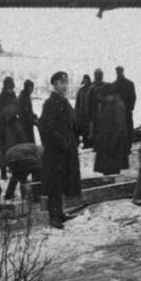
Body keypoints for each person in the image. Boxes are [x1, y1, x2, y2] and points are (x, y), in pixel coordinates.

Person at [38, 71, 82, 229]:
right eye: (61, 83)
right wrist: (62, 141)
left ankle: (60, 212)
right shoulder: (50, 103)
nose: (64, 86)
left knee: (63, 181)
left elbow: (72, 121)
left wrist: (76, 136)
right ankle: (54, 216)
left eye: (66, 83)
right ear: (55, 85)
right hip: (56, 150)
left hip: (67, 149)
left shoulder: (64, 102)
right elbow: (47, 127)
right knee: (55, 183)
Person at [0, 76, 27, 179]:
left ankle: (15, 169)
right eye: (9, 88)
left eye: (12, 88)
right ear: (5, 87)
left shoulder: (15, 98)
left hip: (13, 126)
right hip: (2, 127)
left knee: (16, 148)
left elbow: (18, 108)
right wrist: (6, 113)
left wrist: (12, 112)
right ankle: (3, 172)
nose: (11, 90)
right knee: (2, 150)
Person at [93, 83, 130, 175]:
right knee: (107, 170)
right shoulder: (107, 103)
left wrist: (113, 143)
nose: (103, 99)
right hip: (106, 142)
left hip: (114, 144)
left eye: (105, 96)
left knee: (113, 170)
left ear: (111, 95)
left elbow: (120, 126)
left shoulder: (118, 105)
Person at [113, 66, 137, 152]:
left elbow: (133, 97)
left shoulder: (129, 84)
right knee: (121, 128)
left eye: (119, 72)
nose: (118, 74)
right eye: (117, 72)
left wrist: (130, 108)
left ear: (122, 72)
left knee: (128, 128)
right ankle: (123, 146)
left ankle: (128, 146)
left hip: (126, 110)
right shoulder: (114, 85)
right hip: (119, 111)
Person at [86, 68, 106, 148]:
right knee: (95, 129)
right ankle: (96, 145)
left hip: (104, 111)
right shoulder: (92, 87)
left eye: (100, 74)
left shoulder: (105, 85)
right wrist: (89, 113)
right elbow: (88, 102)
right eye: (98, 74)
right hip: (95, 112)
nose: (99, 75)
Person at [75, 74, 92, 148]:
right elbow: (77, 102)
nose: (86, 82)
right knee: (83, 129)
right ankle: (85, 144)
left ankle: (91, 143)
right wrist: (76, 112)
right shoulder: (81, 90)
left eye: (87, 80)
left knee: (90, 129)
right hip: (82, 113)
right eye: (84, 80)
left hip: (90, 113)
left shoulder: (92, 89)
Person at [18, 79, 38, 144]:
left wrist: (34, 115)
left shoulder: (27, 95)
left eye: (32, 88)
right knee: (27, 142)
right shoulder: (22, 97)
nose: (31, 90)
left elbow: (29, 110)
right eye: (30, 88)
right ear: (26, 88)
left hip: (28, 123)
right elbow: (24, 113)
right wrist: (33, 120)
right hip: (24, 124)